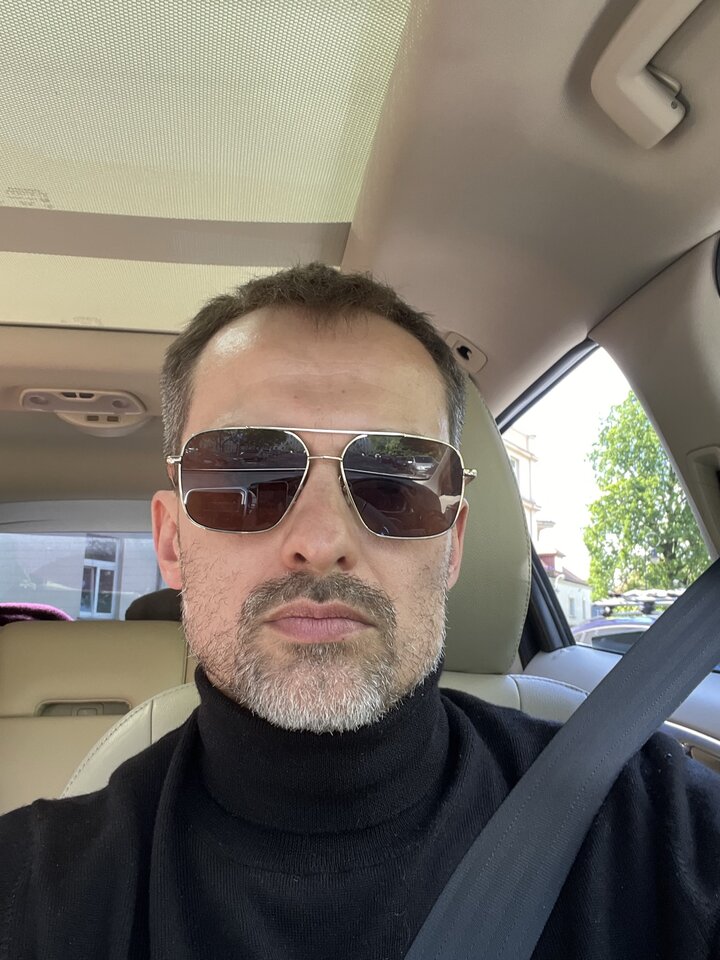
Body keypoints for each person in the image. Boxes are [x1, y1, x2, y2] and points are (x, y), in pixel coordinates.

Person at [1, 263, 719, 959]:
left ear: (452, 545)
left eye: (393, 483)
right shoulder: (31, 890)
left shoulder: (653, 829)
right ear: (170, 542)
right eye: (247, 476)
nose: (321, 542)